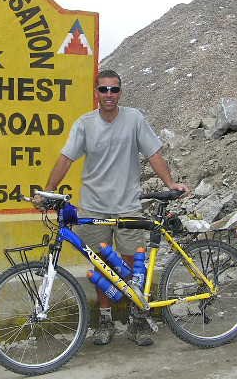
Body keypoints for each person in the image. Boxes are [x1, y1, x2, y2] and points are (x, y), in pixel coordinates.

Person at [37, 69, 189, 347]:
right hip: (94, 207)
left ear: (121, 92)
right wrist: (49, 190)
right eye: (103, 89)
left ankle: (136, 318)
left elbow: (153, 154)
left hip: (128, 205)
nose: (109, 95)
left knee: (133, 264)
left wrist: (170, 182)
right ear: (95, 93)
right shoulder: (84, 124)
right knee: (103, 267)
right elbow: (65, 158)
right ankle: (105, 319)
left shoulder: (134, 119)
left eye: (114, 89)